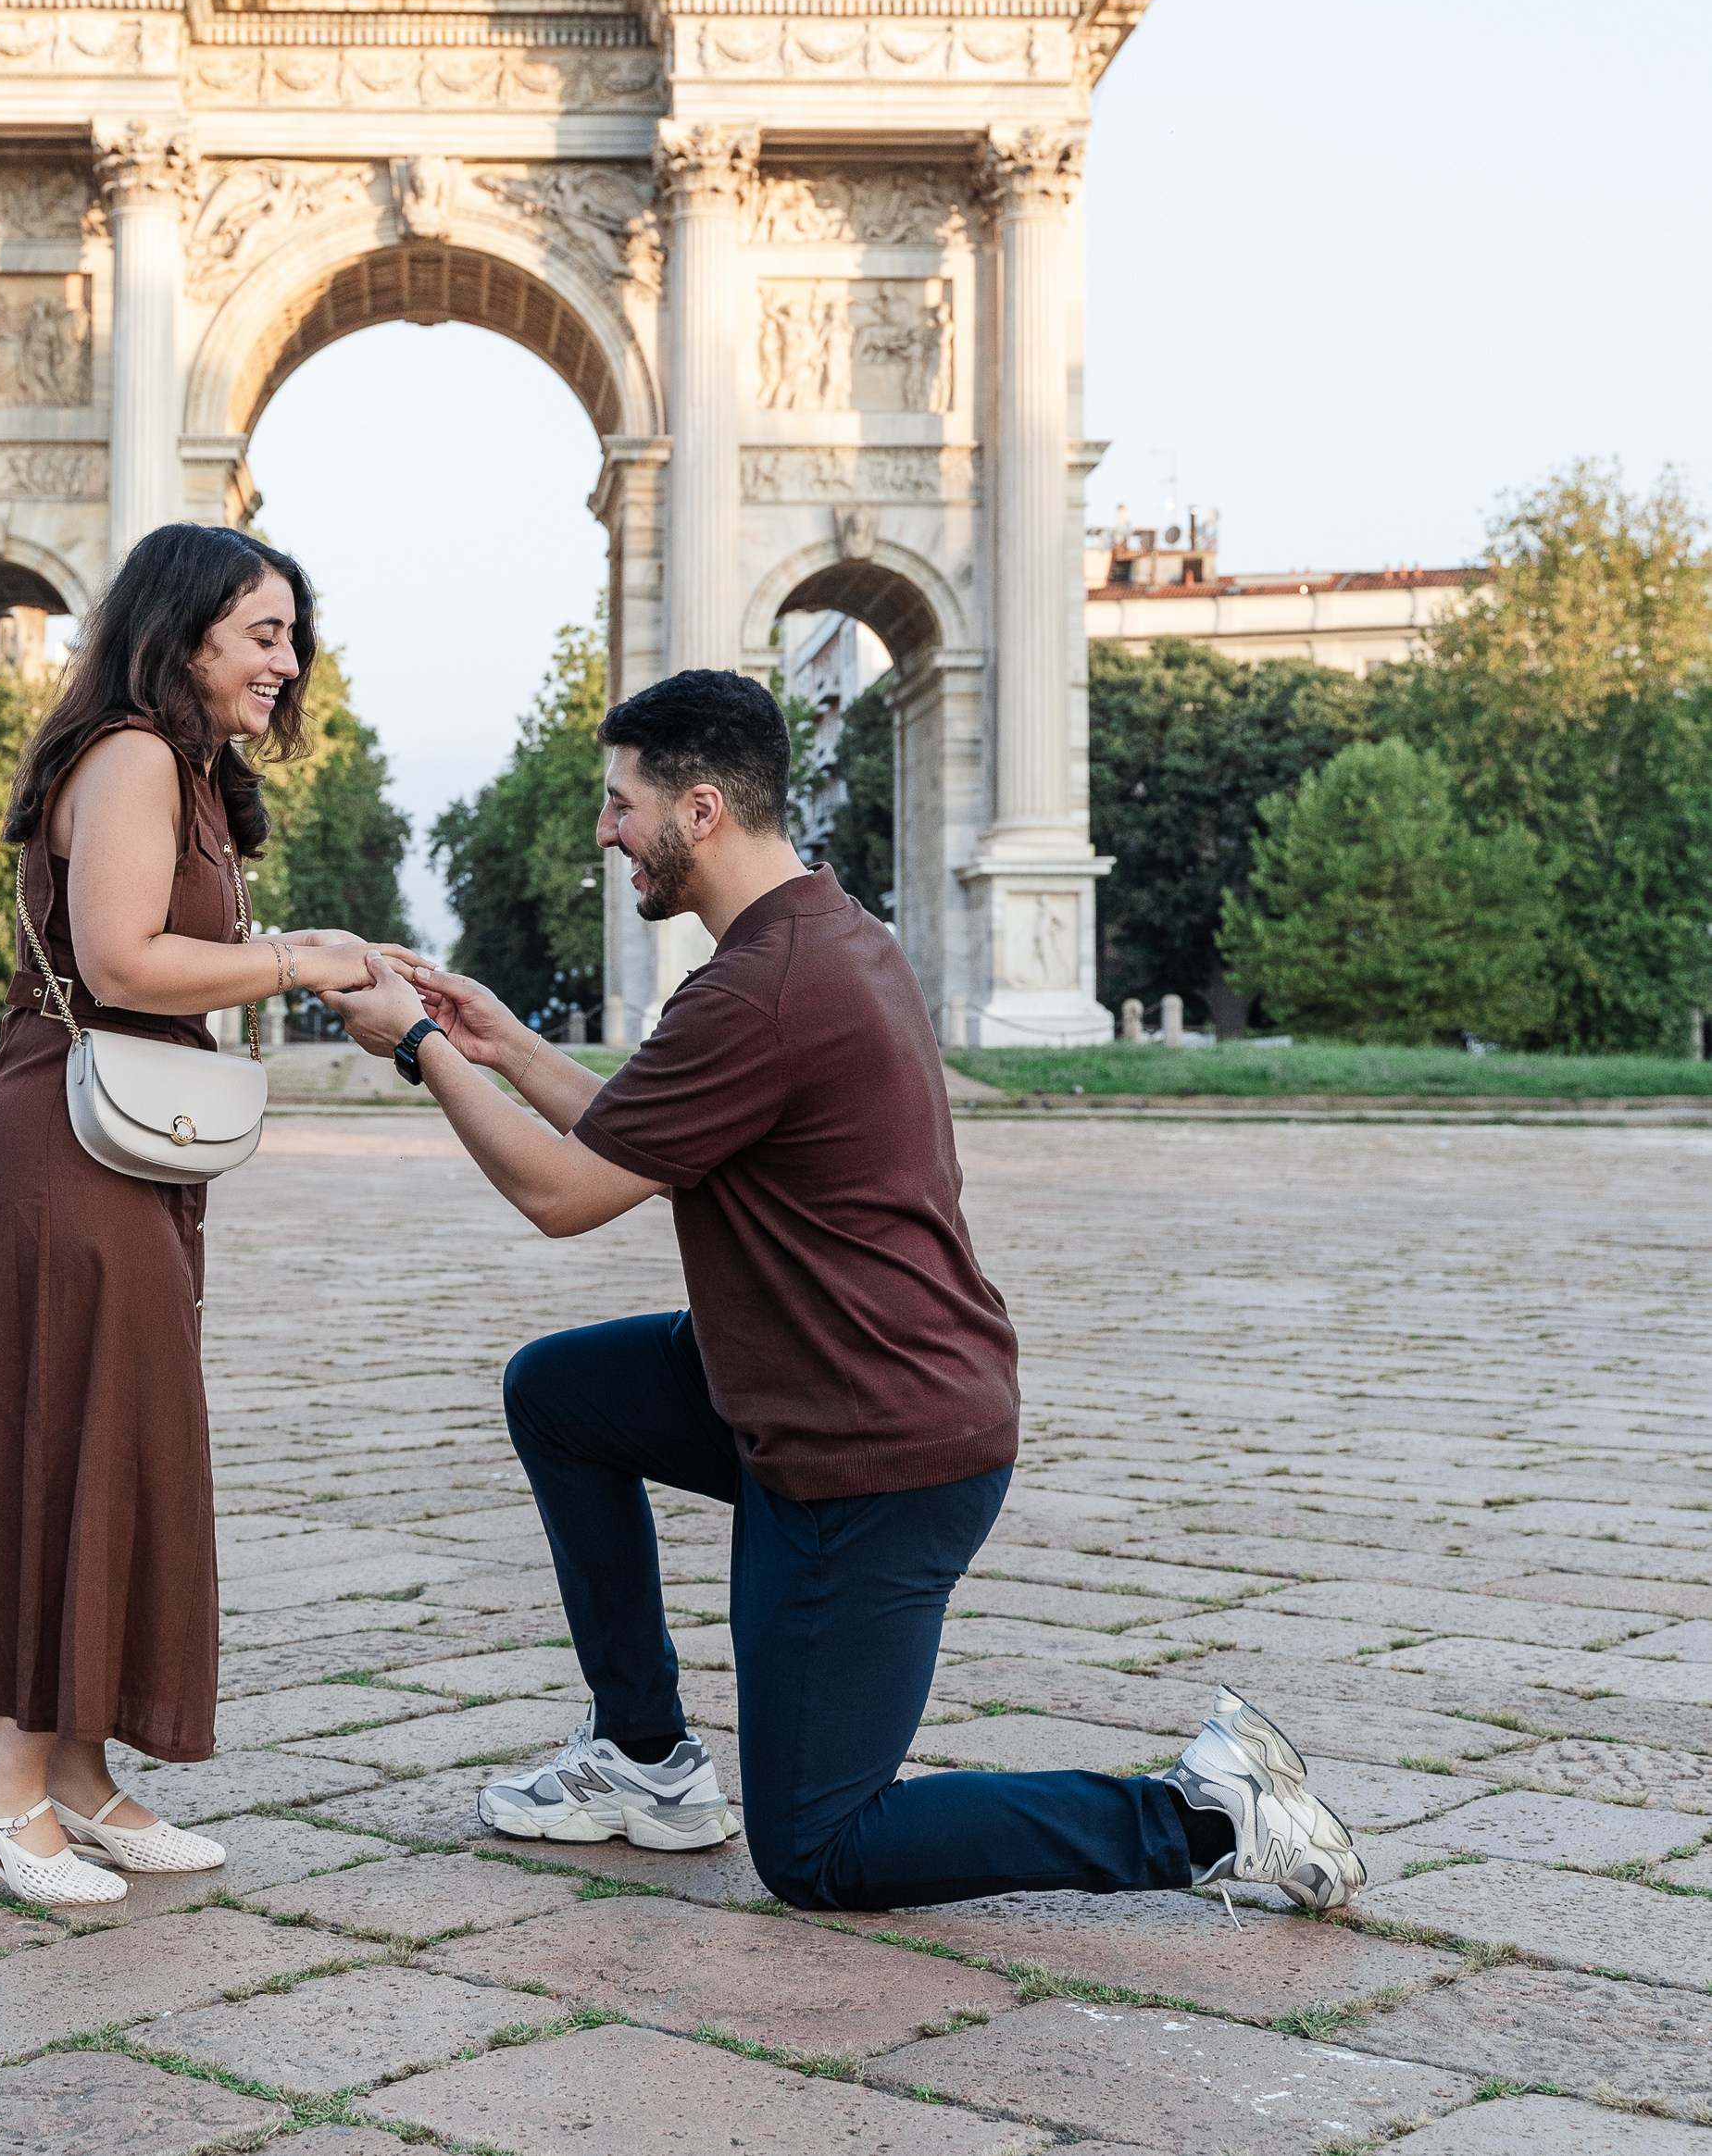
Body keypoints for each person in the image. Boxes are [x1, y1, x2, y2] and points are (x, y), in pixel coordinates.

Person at [324, 667, 1365, 1916]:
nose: (605, 831)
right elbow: (641, 1139)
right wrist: (502, 1042)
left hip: (877, 1450)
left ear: (699, 809)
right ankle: (647, 1755)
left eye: (620, 803)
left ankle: (1199, 1814)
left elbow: (561, 1193)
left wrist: (421, 1047)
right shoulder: (821, 933)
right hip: (817, 1387)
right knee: (561, 1391)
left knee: (821, 1848)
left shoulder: (761, 986)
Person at [0, 523, 380, 1908]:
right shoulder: (129, 754)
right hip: (61, 1142)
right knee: (64, 1441)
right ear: (180, 635)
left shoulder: (180, 773)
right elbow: (121, 955)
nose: (288, 664)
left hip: (117, 1143)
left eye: (291, 635)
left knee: (123, 1446)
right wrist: (297, 957)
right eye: (262, 634)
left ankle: (77, 1770)